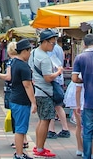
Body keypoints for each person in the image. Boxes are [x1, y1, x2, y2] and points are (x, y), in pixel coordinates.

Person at [29, 29, 64, 158]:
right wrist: (58, 72)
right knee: (45, 120)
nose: (53, 46)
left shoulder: (33, 53)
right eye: (52, 43)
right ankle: (39, 148)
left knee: (42, 120)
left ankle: (39, 146)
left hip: (38, 90)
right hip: (45, 92)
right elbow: (48, 78)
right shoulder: (44, 58)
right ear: (44, 42)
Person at [0, 40, 31, 152]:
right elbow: (27, 85)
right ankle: (21, 148)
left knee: (18, 122)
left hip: (13, 93)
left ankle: (20, 147)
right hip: (19, 97)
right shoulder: (21, 64)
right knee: (21, 123)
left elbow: (10, 78)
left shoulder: (12, 63)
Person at [7, 39, 37, 159]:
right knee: (20, 128)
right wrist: (33, 102)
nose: (30, 54)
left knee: (20, 127)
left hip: (15, 98)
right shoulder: (24, 66)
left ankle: (19, 153)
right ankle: (19, 154)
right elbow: (27, 85)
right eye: (29, 51)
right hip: (21, 101)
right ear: (24, 51)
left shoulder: (14, 63)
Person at [47, 34, 72, 139]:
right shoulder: (60, 49)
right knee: (58, 105)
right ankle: (65, 129)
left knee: (51, 105)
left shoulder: (51, 49)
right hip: (59, 79)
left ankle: (51, 130)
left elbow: (51, 64)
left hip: (53, 79)